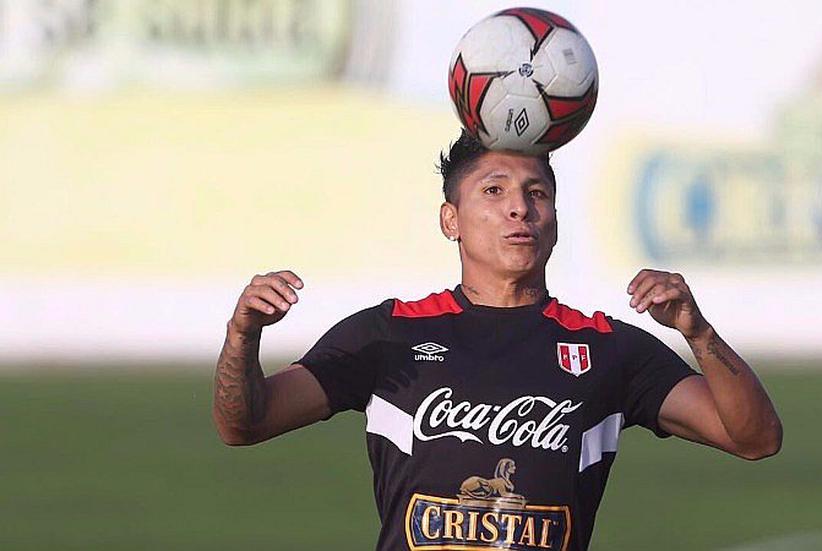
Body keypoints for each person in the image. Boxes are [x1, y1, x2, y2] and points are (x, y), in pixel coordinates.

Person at [212, 130, 782, 551]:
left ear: (554, 218)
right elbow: (245, 424)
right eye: (493, 190)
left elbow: (754, 438)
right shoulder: (388, 334)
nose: (519, 208)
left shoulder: (610, 348)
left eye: (537, 193)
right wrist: (242, 336)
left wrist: (698, 333)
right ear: (451, 220)